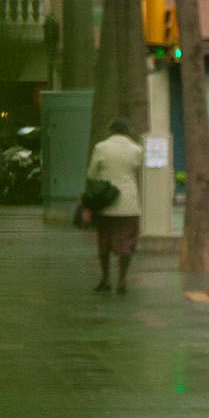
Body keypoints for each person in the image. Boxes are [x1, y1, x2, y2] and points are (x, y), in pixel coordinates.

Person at [86, 118, 143, 293]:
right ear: (127, 131)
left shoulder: (101, 147)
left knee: (104, 241)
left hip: (106, 201)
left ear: (111, 130)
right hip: (128, 202)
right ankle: (122, 280)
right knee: (127, 242)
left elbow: (91, 174)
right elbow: (138, 170)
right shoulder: (137, 149)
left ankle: (105, 279)